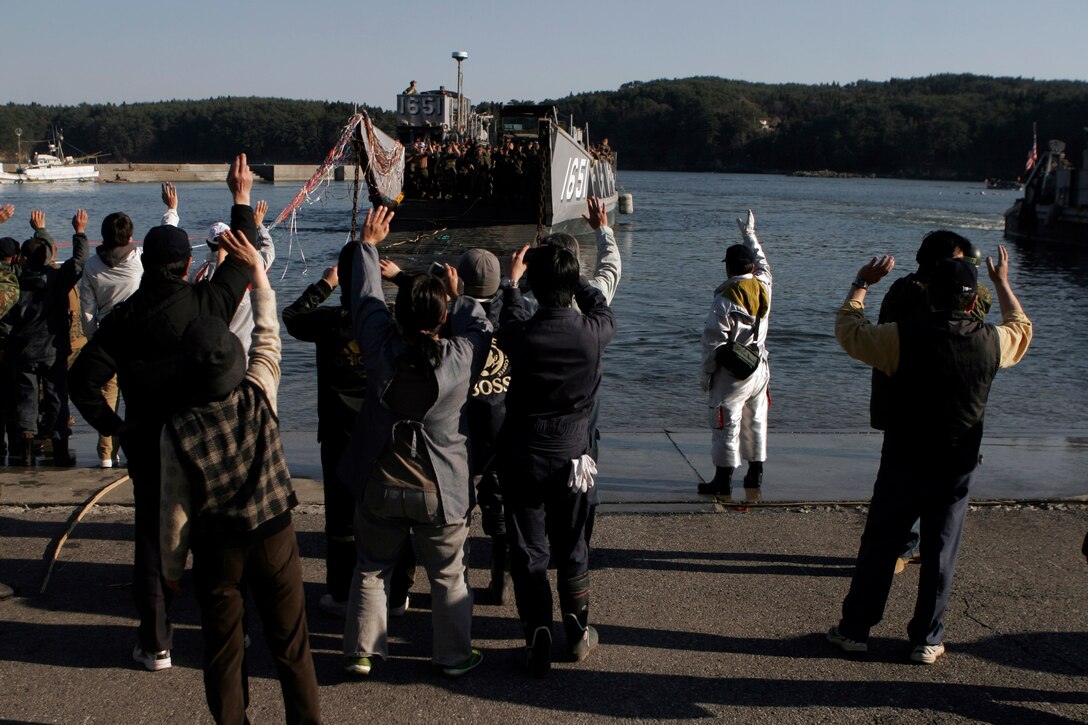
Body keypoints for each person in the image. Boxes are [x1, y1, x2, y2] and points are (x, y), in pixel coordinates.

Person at [69, 154, 258, 672]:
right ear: (184, 263)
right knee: (216, 540)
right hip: (206, 441)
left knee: (153, 543)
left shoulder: (124, 319)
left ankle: (156, 643)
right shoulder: (205, 303)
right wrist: (240, 199)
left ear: (145, 263)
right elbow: (243, 266)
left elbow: (81, 381)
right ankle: (229, 636)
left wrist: (114, 426)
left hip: (149, 441)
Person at [827, 247, 1032, 665]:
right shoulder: (992, 341)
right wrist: (1002, 282)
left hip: (904, 456)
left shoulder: (898, 337)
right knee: (941, 548)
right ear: (973, 302)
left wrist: (862, 283)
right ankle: (927, 638)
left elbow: (849, 329)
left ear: (928, 296)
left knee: (882, 544)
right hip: (957, 462)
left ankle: (855, 630)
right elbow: (1021, 325)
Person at [160, 228, 320, 725]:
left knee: (224, 649)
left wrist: (171, 567)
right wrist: (258, 273)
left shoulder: (177, 427)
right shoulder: (258, 391)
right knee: (292, 645)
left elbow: (176, 507)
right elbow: (268, 334)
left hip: (217, 546)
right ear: (234, 357)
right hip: (274, 532)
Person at [339, 206, 489, 678]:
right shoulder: (460, 357)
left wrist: (368, 246)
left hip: (379, 481)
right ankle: (452, 655)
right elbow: (481, 327)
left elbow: (364, 298)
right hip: (439, 490)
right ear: (442, 316)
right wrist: (458, 296)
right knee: (448, 576)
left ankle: (363, 651)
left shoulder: (380, 347)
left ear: (396, 317)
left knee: (371, 567)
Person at [495, 242, 615, 676]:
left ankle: (537, 634)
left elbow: (508, 312)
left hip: (524, 453)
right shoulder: (594, 332)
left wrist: (510, 282)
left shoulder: (521, 334)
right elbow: (598, 302)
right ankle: (578, 632)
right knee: (573, 544)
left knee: (530, 550)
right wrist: (574, 273)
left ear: (534, 285)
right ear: (569, 285)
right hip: (573, 457)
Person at [282, 245, 415, 618]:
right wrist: (400, 278)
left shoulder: (327, 323)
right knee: (392, 510)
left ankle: (341, 591)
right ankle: (399, 589)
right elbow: (427, 304)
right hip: (384, 430)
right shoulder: (389, 322)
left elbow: (292, 316)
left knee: (340, 518)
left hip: (339, 431)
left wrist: (324, 284)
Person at [872, 232, 992, 574]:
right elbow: (975, 314)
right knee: (917, 483)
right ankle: (906, 546)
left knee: (905, 482)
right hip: (924, 403)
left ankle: (906, 546)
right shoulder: (922, 295)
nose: (963, 267)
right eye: (958, 262)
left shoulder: (903, 288)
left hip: (908, 403)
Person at [79, 186, 180, 468]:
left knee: (106, 397)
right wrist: (171, 208)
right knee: (138, 397)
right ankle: (139, 447)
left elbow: (87, 310)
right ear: (130, 236)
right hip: (140, 335)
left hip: (108, 336)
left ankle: (105, 454)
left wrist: (93, 339)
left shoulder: (91, 266)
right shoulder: (138, 261)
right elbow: (164, 240)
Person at [8, 209, 89, 466]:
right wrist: (79, 232)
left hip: (23, 352)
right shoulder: (57, 279)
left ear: (22, 259)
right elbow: (78, 261)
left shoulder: (14, 282)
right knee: (57, 398)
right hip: (54, 350)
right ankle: (61, 449)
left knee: (26, 401)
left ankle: (26, 453)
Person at [699, 209, 771, 495]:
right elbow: (763, 262)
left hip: (732, 375)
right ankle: (755, 474)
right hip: (760, 367)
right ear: (751, 268)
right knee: (755, 421)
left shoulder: (724, 301)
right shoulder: (765, 285)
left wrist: (706, 377)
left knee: (725, 423)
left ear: (729, 269)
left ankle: (723, 480)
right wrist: (750, 234)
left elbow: (712, 345)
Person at [191, 199, 276, 354]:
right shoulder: (249, 267)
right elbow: (268, 250)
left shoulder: (197, 275)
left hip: (210, 352)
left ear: (208, 244)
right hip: (244, 354)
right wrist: (257, 225)